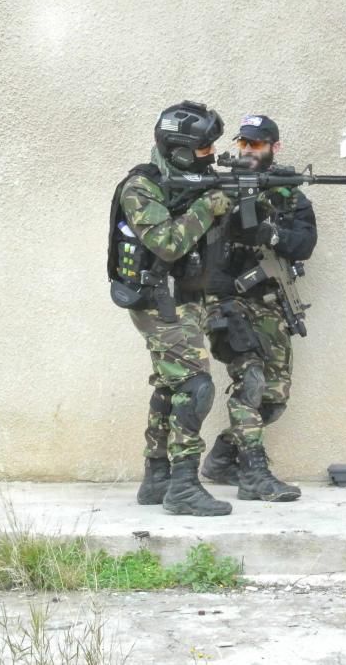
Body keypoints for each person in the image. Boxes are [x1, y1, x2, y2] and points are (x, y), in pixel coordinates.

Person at [109, 100, 234, 516]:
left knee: (169, 386)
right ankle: (183, 485)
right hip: (157, 300)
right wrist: (207, 207)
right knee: (195, 386)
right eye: (203, 148)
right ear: (179, 150)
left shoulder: (190, 181)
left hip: (183, 297)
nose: (211, 155)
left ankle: (157, 477)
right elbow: (166, 243)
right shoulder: (140, 187)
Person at [200, 115, 316, 502]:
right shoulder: (218, 188)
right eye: (243, 143)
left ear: (274, 147)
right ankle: (254, 474)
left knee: (274, 397)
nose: (248, 150)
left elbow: (304, 244)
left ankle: (222, 458)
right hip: (224, 299)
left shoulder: (289, 195)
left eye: (257, 144)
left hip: (268, 303)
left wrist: (271, 232)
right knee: (250, 380)